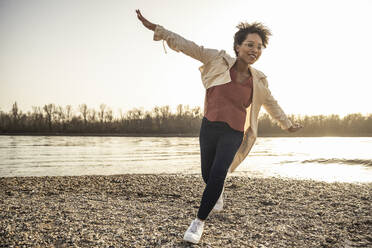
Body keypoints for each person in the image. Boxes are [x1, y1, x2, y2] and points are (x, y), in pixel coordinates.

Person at [135, 9, 302, 244]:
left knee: (219, 172)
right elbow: (186, 45)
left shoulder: (260, 80)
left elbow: (272, 105)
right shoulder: (217, 60)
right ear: (238, 46)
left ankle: (198, 223)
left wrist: (287, 125)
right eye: (250, 45)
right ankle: (217, 192)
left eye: (259, 47)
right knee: (208, 174)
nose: (255, 50)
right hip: (209, 127)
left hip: (234, 133)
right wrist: (157, 29)